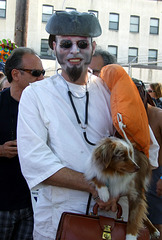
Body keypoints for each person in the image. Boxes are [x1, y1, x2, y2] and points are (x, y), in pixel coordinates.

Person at [17, 11, 118, 240]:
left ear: (93, 47)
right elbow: (35, 161)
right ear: (53, 46)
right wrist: (94, 185)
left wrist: (116, 187)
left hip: (106, 216)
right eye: (66, 44)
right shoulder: (36, 95)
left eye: (82, 43)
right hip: (57, 218)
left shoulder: (108, 91)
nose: (74, 51)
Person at [0, 47, 45, 240]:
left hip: (33, 204)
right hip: (2, 203)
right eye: (36, 73)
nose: (41, 78)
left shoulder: (45, 107)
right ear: (16, 74)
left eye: (43, 73)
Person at [133, 79, 162, 240]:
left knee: (157, 224)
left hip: (157, 175)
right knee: (139, 222)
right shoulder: (125, 114)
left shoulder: (158, 115)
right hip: (137, 176)